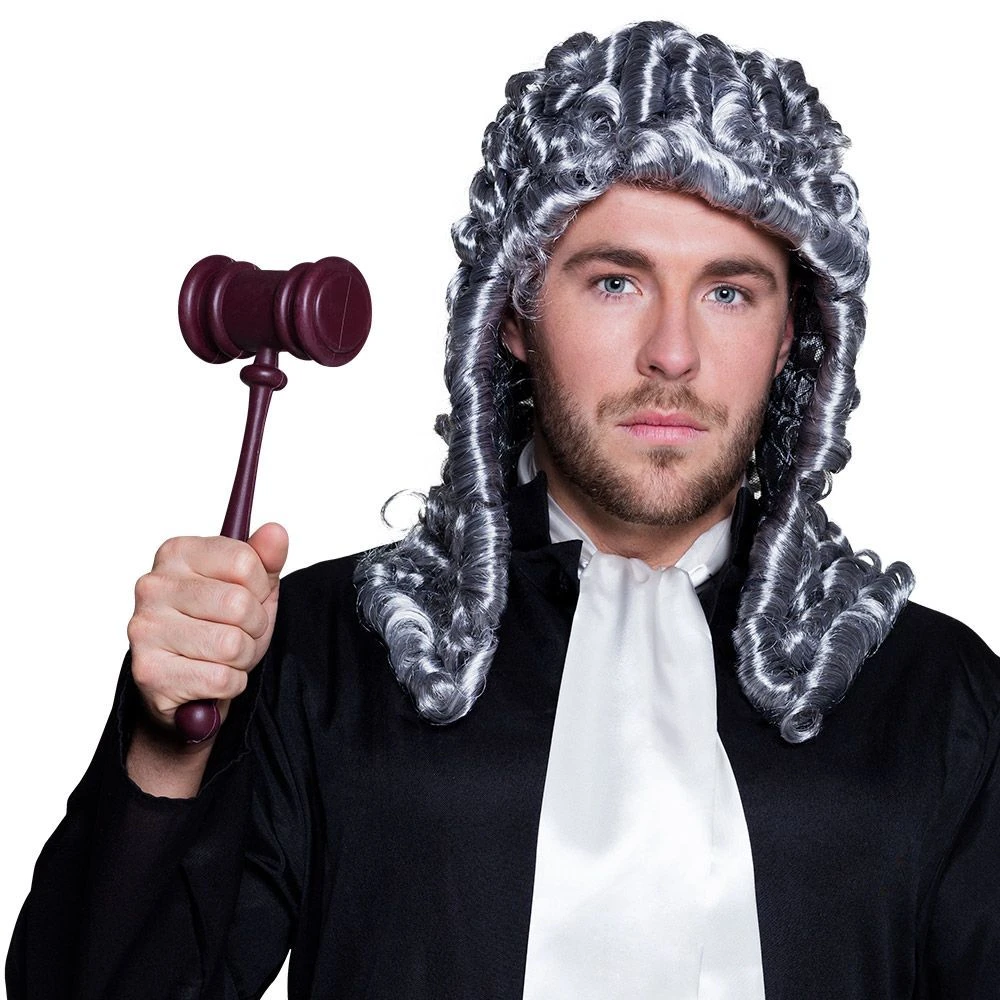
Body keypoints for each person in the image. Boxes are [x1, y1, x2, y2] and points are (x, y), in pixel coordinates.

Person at [8, 19, 999, 1000]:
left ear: (791, 335)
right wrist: (167, 746)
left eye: (729, 293)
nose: (672, 353)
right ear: (514, 314)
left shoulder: (933, 697)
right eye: (615, 282)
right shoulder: (322, 652)